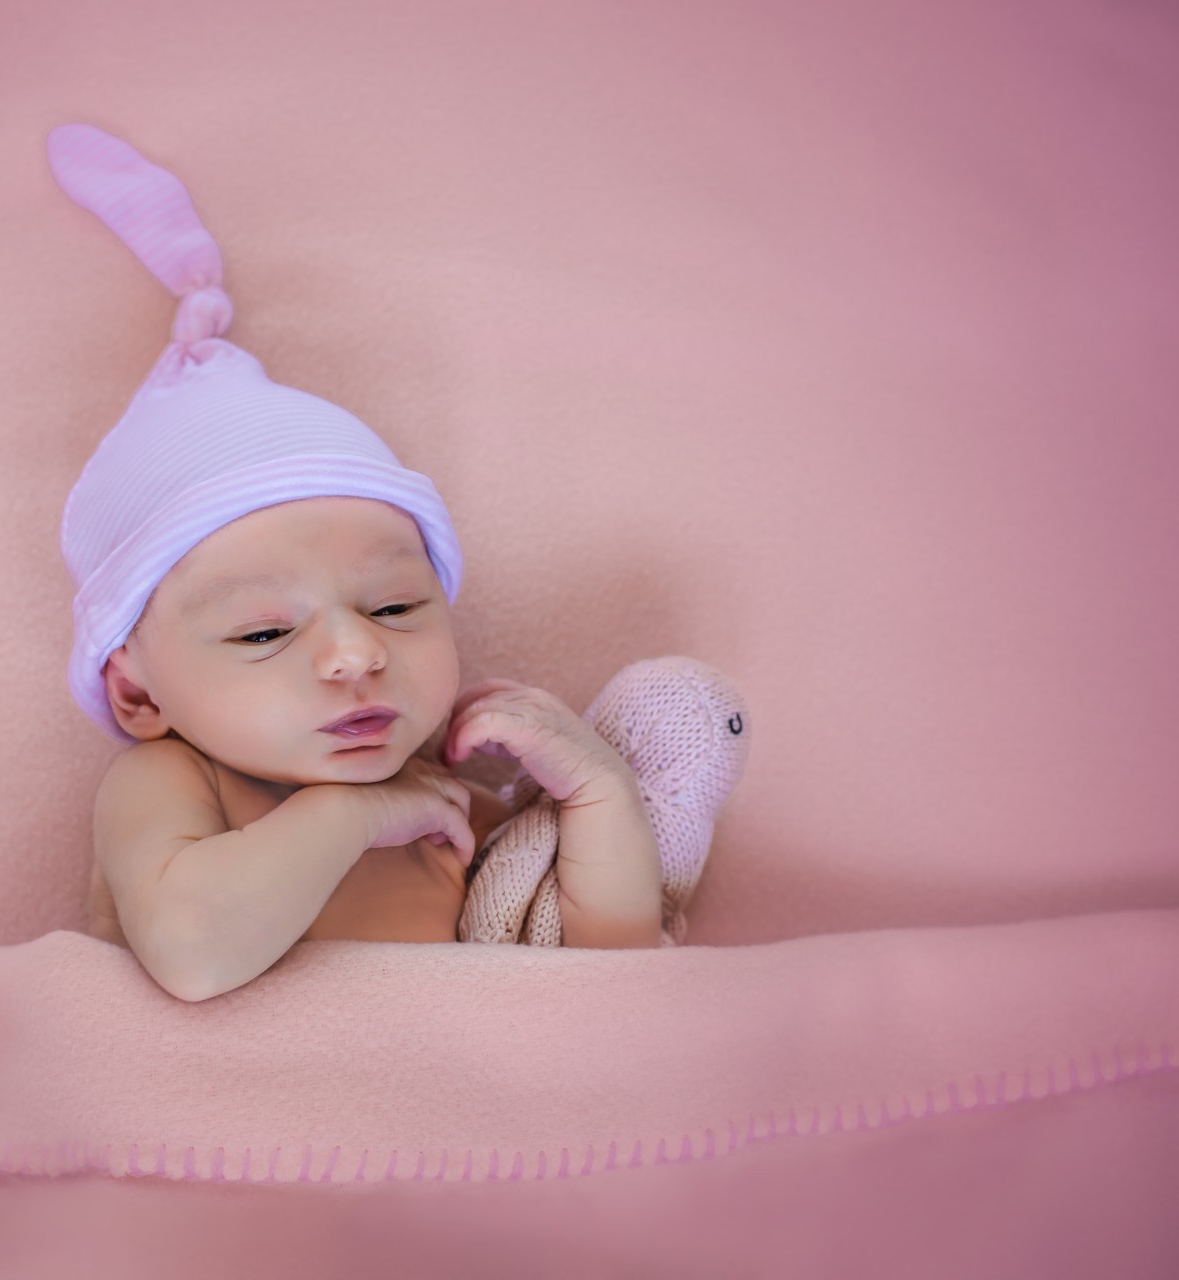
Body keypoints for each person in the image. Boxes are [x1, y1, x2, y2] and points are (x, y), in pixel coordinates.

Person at [48, 123, 744, 1002]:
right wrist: (352, 813)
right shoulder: (175, 783)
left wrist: (596, 797)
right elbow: (191, 953)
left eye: (393, 609)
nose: (356, 653)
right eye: (263, 632)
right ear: (140, 695)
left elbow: (600, 980)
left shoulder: (438, 800)